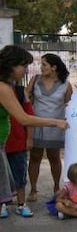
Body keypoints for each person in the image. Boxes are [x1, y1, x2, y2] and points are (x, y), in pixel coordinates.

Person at [0, 45, 68, 232]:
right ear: (11, 65)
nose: (26, 71)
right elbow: (24, 118)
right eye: (23, 66)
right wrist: (55, 122)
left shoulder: (7, 85)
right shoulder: (3, 87)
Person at [27, 53, 73, 201]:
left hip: (55, 127)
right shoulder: (35, 80)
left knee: (54, 157)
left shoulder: (66, 84)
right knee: (35, 156)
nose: (41, 67)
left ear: (54, 67)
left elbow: (69, 104)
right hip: (36, 125)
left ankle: (56, 187)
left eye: (44, 65)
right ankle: (33, 189)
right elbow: (26, 98)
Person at [5, 82, 34, 217]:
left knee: (20, 175)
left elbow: (28, 115)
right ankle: (3, 203)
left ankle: (21, 204)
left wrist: (29, 138)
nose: (26, 70)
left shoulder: (21, 91)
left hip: (17, 141)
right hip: (3, 142)